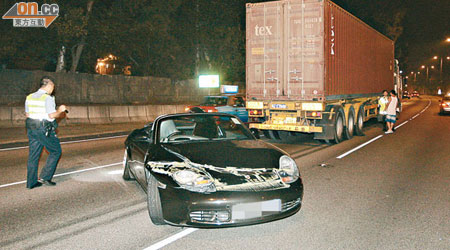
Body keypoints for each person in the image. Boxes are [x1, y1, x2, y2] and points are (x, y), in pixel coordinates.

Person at [25, 76, 67, 189]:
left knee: (33, 156)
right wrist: (60, 110)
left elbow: (27, 114)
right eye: (53, 86)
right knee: (56, 151)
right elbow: (51, 115)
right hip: (43, 129)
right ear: (48, 85)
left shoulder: (29, 97)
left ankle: (31, 182)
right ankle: (45, 177)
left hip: (31, 128)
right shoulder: (47, 98)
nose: (53, 89)